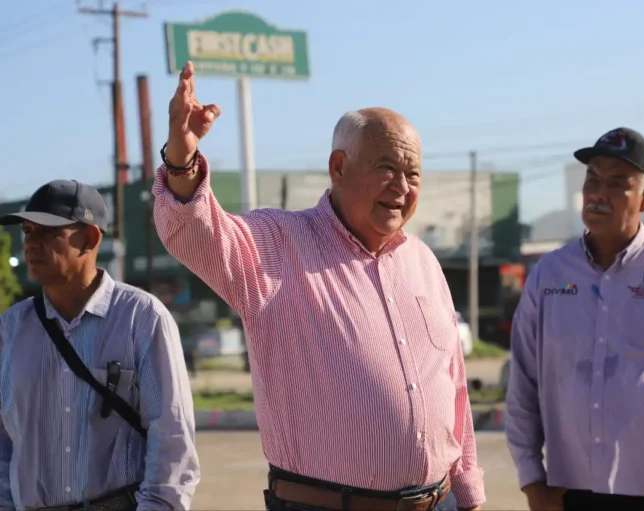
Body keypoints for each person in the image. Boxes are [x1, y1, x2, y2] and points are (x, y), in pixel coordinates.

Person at [152, 60, 484, 511]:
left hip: (439, 502)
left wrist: (468, 493)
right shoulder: (278, 244)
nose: (402, 187)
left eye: (414, 174)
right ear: (339, 167)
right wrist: (182, 161)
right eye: (387, 168)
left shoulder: (423, 261)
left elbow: (455, 387)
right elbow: (195, 231)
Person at [505, 127, 644, 511]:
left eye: (617, 183)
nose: (599, 194)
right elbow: (523, 381)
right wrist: (531, 479)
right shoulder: (550, 274)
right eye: (593, 180)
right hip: (572, 492)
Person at [0, 180, 199, 510]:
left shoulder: (141, 318)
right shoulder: (10, 330)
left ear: (90, 238)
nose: (31, 243)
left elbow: (171, 437)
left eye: (47, 231)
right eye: (27, 231)